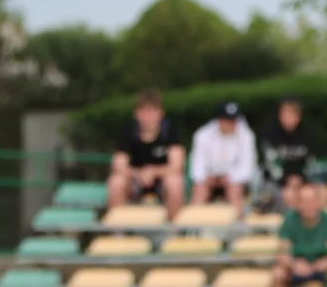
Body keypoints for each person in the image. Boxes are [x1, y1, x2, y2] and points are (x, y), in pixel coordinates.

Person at [106, 89, 186, 218]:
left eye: (152, 111)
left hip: (161, 182)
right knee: (116, 182)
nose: (148, 116)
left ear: (160, 113)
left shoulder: (170, 132)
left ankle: (174, 231)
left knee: (174, 183)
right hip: (135, 181)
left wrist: (153, 172)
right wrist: (138, 174)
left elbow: (177, 166)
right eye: (144, 111)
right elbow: (118, 165)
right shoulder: (128, 132)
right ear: (136, 114)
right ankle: (117, 232)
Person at [188, 102, 257, 216]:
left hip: (233, 180)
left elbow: (247, 167)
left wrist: (230, 178)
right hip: (208, 179)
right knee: (199, 192)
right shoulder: (202, 135)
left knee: (234, 191)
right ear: (219, 120)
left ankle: (238, 229)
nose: (233, 124)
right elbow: (197, 165)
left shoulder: (246, 135)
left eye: (235, 120)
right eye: (229, 121)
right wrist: (206, 178)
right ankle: (193, 229)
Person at [259, 96, 313, 212]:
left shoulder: (306, 134)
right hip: (275, 183)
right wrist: (287, 180)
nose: (287, 118)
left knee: (315, 193)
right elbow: (272, 165)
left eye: (291, 114)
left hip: (300, 181)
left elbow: (310, 162)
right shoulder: (270, 135)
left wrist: (300, 178)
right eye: (284, 114)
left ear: (298, 116)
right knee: (289, 195)